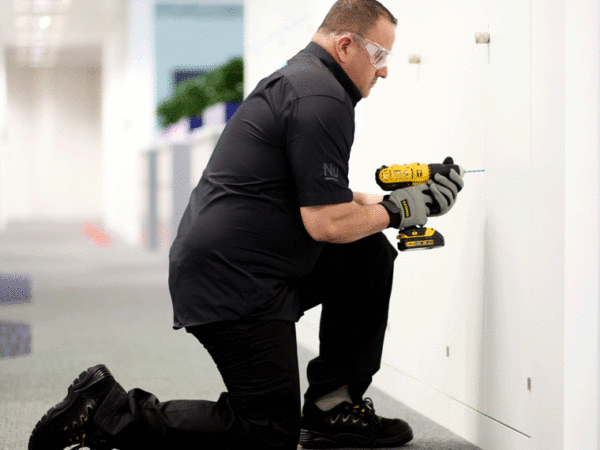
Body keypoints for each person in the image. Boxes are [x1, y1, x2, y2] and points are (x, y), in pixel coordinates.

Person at [28, 1, 463, 449]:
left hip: (255, 265)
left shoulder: (305, 81)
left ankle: (333, 408)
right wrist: (400, 210)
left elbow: (322, 197)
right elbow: (328, 223)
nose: (384, 71)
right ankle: (106, 412)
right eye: (380, 56)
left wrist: (400, 198)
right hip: (234, 282)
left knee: (365, 254)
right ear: (346, 44)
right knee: (267, 435)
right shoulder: (322, 97)